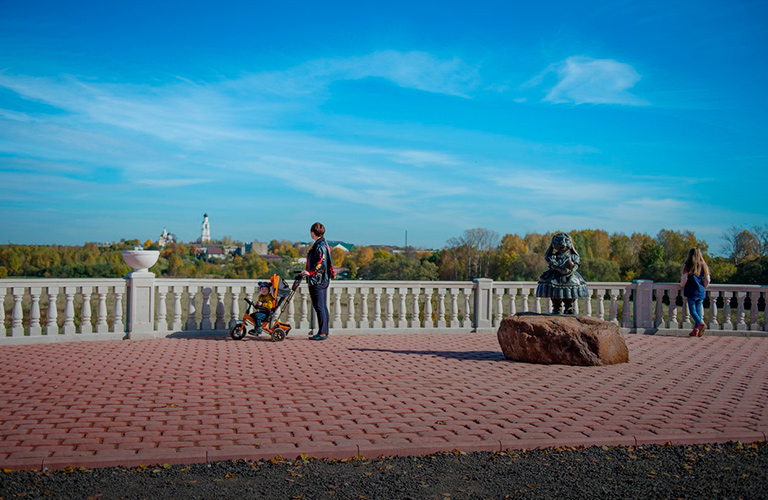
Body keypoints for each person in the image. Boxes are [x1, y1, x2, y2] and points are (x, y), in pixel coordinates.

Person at [535, 232, 589, 314]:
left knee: (570, 292)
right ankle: (556, 307)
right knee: (555, 292)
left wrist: (571, 269)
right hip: (555, 276)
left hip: (570, 276)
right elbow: (547, 257)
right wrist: (555, 267)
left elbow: (576, 264)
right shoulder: (553, 257)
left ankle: (569, 307)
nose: (562, 245)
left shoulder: (573, 256)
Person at [301, 222, 334, 341]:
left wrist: (309, 273)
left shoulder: (320, 246)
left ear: (312, 233)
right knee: (322, 306)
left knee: (319, 306)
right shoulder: (323, 244)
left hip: (318, 280)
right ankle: (323, 331)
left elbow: (320, 263)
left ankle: (323, 333)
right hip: (323, 279)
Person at [681, 247, 711, 337]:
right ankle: (696, 330)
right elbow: (707, 279)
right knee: (698, 311)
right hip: (700, 290)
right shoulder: (703, 265)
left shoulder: (687, 265)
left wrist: (682, 285)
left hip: (691, 290)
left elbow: (684, 278)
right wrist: (704, 286)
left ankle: (701, 324)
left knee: (692, 311)